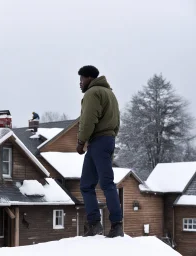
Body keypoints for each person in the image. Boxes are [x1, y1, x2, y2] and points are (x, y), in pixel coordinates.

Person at [76, 65, 124, 238]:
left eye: (81, 79)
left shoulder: (92, 93)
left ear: (89, 78)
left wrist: (81, 141)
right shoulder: (110, 94)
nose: (79, 83)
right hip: (107, 140)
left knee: (106, 183)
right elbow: (117, 121)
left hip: (98, 141)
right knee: (87, 184)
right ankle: (95, 224)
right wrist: (110, 137)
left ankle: (115, 225)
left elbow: (88, 119)